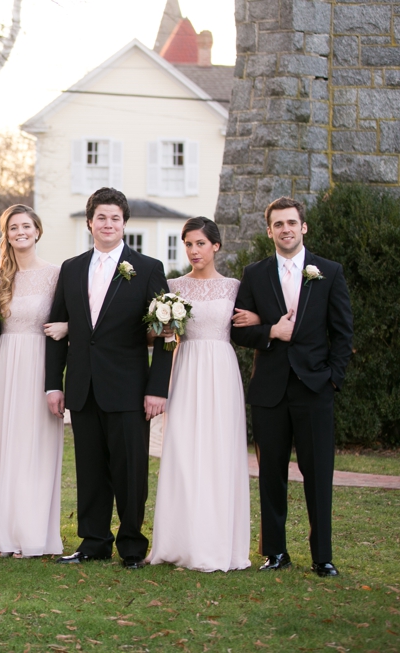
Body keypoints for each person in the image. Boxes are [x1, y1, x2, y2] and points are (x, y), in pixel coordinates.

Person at [45, 187, 173, 569]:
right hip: (82, 387)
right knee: (90, 469)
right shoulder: (70, 268)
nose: (108, 224)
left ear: (124, 223)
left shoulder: (148, 268)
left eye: (115, 218)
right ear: (89, 223)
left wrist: (157, 388)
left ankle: (132, 545)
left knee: (131, 471)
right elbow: (56, 328)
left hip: (129, 388)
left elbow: (168, 330)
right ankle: (93, 541)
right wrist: (54, 383)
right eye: (101, 217)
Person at [232, 197, 353, 577]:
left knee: (318, 474)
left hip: (314, 387)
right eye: (278, 224)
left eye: (291, 223)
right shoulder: (254, 274)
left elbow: (343, 331)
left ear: (303, 228)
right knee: (271, 474)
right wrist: (270, 330)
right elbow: (240, 330)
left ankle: (323, 557)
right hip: (269, 390)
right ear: (269, 231)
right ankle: (276, 553)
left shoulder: (329, 272)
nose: (285, 229)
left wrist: (332, 377)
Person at [148, 217, 252, 572]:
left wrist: (262, 323)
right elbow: (159, 335)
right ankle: (180, 541)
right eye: (189, 244)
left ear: (216, 246)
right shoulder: (172, 287)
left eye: (201, 244)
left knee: (219, 452)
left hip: (221, 370)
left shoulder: (234, 287)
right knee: (184, 451)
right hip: (186, 367)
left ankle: (218, 542)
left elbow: (249, 324)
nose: (194, 251)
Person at [0, 205, 66, 558]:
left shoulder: (56, 274)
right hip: (6, 363)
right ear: (7, 234)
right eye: (13, 227)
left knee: (35, 445)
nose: (20, 231)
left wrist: (69, 327)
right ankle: (1, 532)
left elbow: (76, 318)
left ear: (38, 230)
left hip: (38, 363)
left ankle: (31, 533)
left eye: (26, 225)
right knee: (3, 444)